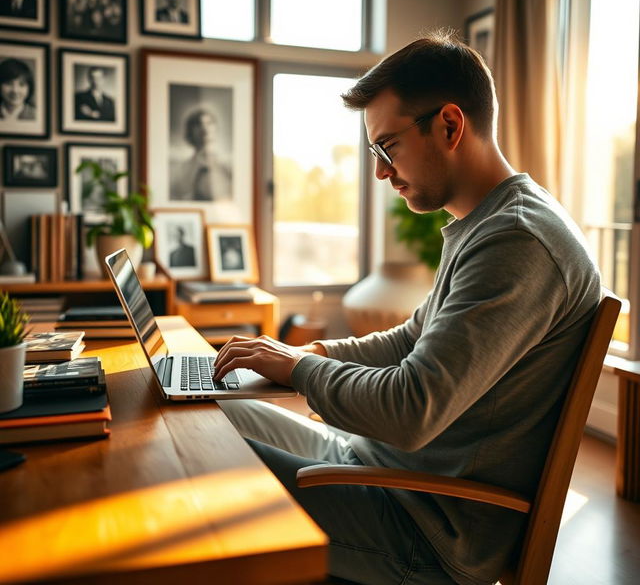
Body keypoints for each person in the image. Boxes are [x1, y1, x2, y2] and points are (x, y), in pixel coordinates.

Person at [213, 30, 601, 585]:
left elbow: (413, 409)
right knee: (211, 414)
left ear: (449, 125)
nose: (379, 171)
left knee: (204, 465)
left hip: (426, 526)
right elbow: (408, 338)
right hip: (382, 470)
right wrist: (307, 351)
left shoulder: (517, 241)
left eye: (386, 146)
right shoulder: (488, 223)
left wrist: (299, 370)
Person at [169, 109, 232, 202]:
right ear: (191, 130)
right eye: (198, 124)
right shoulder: (180, 168)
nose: (204, 128)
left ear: (215, 128)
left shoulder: (227, 165)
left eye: (209, 123)